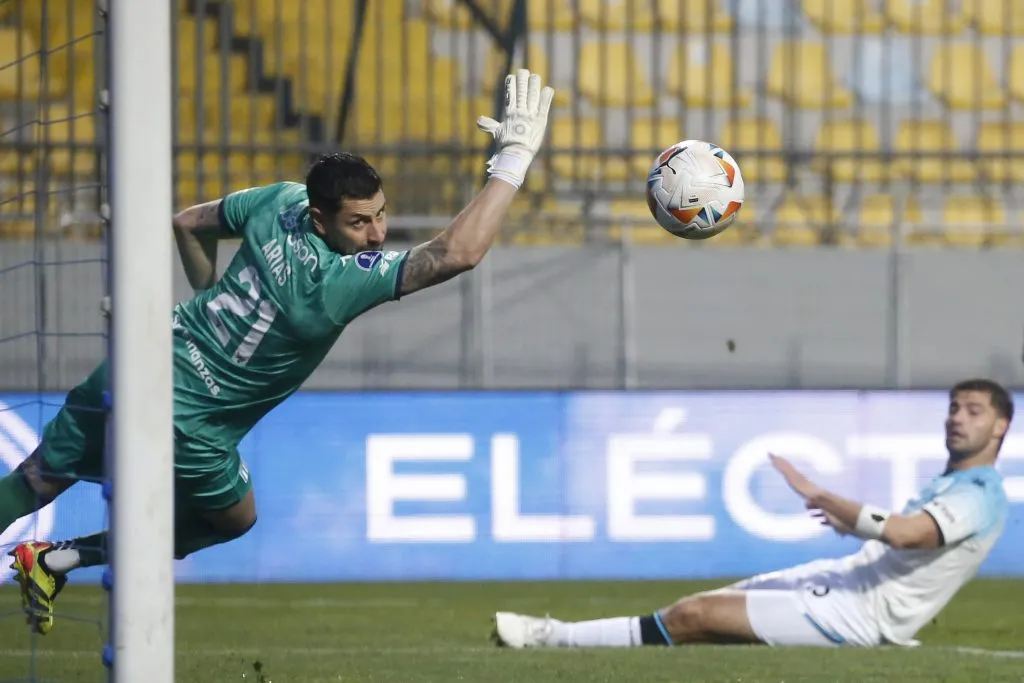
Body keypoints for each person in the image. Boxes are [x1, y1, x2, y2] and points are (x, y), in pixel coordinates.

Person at [0, 69, 554, 635]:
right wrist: (512, 161)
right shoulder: (334, 283)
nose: (377, 234)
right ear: (321, 219)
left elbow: (188, 224)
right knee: (233, 518)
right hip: (192, 422)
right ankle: (61, 557)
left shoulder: (283, 200)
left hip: (141, 357)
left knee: (35, 480)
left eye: (381, 213)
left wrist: (211, 297)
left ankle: (44, 561)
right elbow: (457, 252)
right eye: (359, 222)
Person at [493, 378, 1011, 649]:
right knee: (704, 610)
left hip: (856, 613)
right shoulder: (956, 482)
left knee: (692, 616)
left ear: (1000, 428)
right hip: (845, 583)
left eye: (973, 411)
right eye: (953, 407)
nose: (956, 418)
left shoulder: (980, 492)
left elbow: (905, 535)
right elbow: (906, 544)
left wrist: (820, 494)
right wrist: (845, 523)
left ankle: (552, 635)